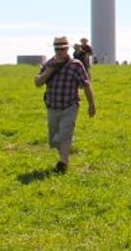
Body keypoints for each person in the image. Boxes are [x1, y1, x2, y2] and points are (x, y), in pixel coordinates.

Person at [34, 36, 96, 173]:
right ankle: (62, 155)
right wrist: (49, 71)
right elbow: (37, 83)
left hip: (70, 105)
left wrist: (91, 104)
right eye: (57, 49)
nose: (60, 51)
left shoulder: (76, 65)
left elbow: (86, 85)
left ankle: (63, 163)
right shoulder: (48, 64)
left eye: (62, 49)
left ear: (67, 49)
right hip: (52, 106)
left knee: (66, 135)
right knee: (54, 138)